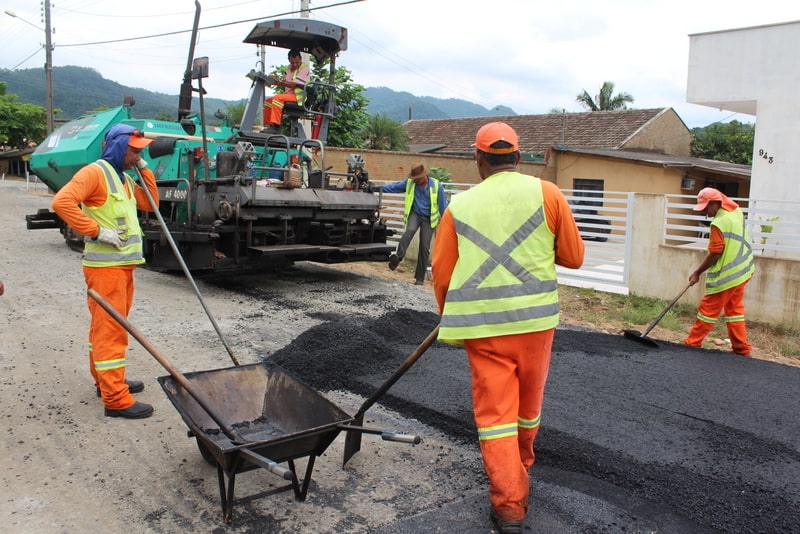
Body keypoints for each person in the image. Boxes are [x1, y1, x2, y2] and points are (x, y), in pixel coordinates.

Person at [431, 122, 584, 533]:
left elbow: (442, 275)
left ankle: (510, 504)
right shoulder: (547, 193)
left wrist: (449, 313)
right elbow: (573, 257)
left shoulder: (459, 207)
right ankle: (521, 467)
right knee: (528, 407)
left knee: (496, 415)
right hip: (536, 324)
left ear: (478, 159)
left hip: (484, 331)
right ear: (518, 158)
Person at [51, 124, 160, 419]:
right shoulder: (94, 173)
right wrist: (96, 231)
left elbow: (151, 203)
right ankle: (115, 398)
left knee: (108, 329)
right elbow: (61, 202)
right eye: (134, 150)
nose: (138, 154)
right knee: (110, 332)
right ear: (116, 146)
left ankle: (106, 381)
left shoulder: (122, 178)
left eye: (141, 150)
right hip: (105, 269)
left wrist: (144, 169)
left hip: (121, 267)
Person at [684, 187, 755, 356]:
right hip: (744, 269)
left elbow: (715, 252)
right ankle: (741, 349)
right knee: (734, 310)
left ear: (715, 203)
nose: (705, 214)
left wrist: (697, 272)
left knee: (708, 309)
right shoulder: (736, 212)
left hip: (727, 275)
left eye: (706, 208)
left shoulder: (719, 223)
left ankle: (692, 343)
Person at [379, 163, 447, 285]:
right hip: (415, 214)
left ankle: (419, 278)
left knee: (424, 247)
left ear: (425, 175)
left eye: (418, 178)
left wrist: (447, 222)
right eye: (414, 178)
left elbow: (443, 206)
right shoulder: (410, 183)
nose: (415, 180)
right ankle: (398, 258)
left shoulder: (437, 186)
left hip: (429, 218)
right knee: (409, 231)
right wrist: (377, 188)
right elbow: (394, 187)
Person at [262, 49, 310, 134]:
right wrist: (273, 80)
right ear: (289, 60)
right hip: (289, 96)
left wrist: (279, 81)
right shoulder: (288, 69)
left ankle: (276, 127)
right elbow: (284, 82)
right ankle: (270, 125)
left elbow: (293, 84)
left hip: (298, 97)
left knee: (278, 98)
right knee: (268, 101)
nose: (295, 65)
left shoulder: (304, 68)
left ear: (301, 59)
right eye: (292, 63)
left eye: (297, 62)